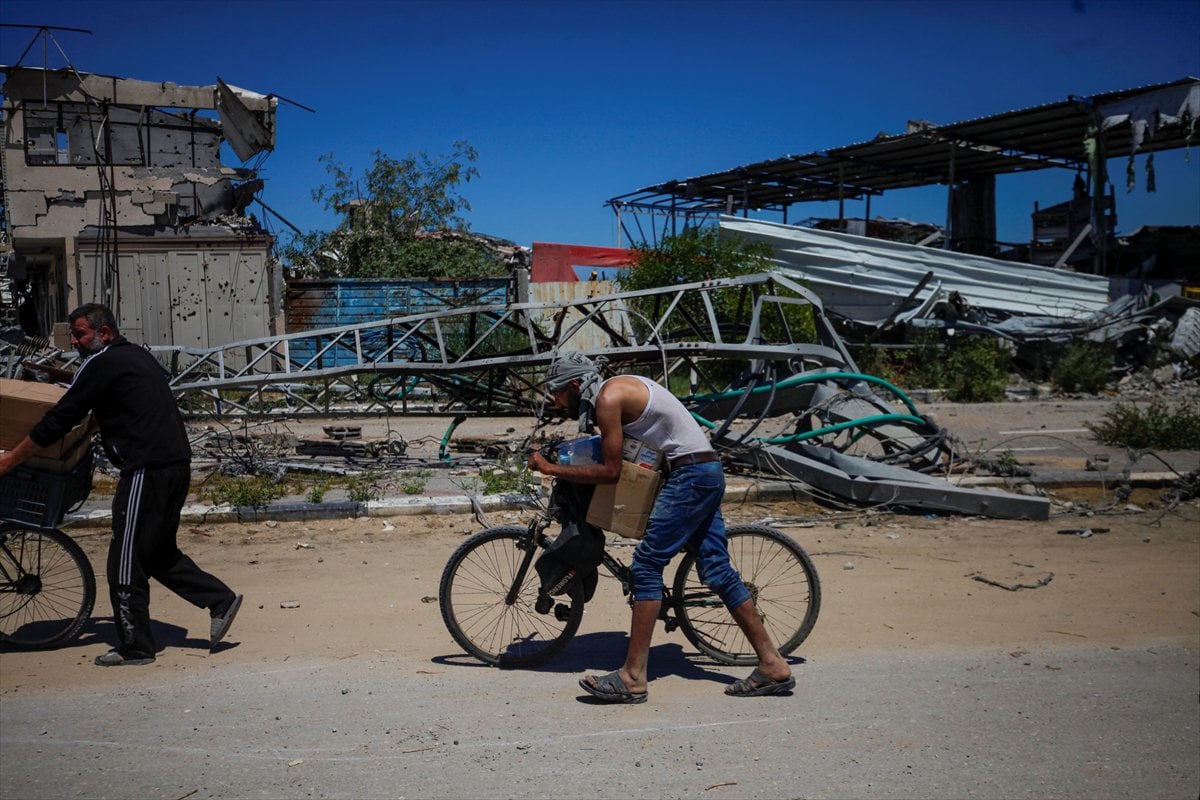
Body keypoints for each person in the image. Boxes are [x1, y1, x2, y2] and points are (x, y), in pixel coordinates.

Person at [526, 351, 794, 703]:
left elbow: (611, 471)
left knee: (646, 566)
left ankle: (633, 676)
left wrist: (551, 469)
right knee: (717, 569)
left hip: (690, 476)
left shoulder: (608, 398)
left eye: (559, 393)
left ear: (575, 385)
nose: (557, 401)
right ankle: (772, 664)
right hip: (705, 470)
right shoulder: (619, 388)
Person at [0, 303, 242, 666]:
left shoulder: (102, 362)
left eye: (80, 335)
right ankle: (220, 600)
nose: (75, 343)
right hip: (175, 465)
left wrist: (10, 459)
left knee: (125, 559)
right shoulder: (136, 356)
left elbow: (60, 418)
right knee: (156, 553)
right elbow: (126, 403)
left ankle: (136, 646)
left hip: (146, 468)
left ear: (104, 333)